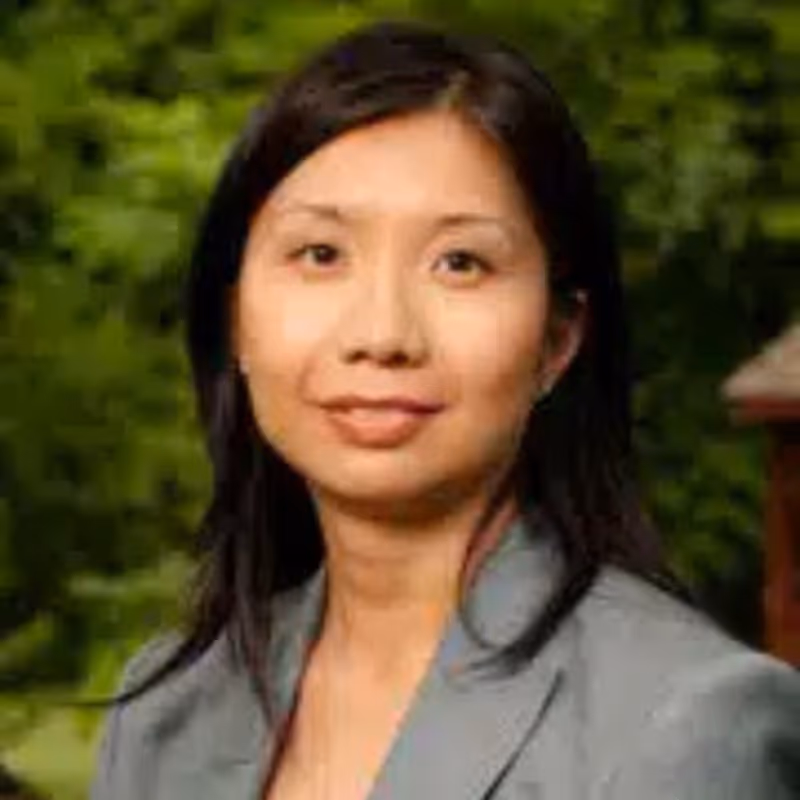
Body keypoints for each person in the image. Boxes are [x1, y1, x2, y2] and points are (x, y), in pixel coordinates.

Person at [90, 19, 800, 800]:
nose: (383, 334)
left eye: (460, 263)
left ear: (556, 341)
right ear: (236, 320)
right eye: (321, 255)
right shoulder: (164, 710)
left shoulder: (687, 723)